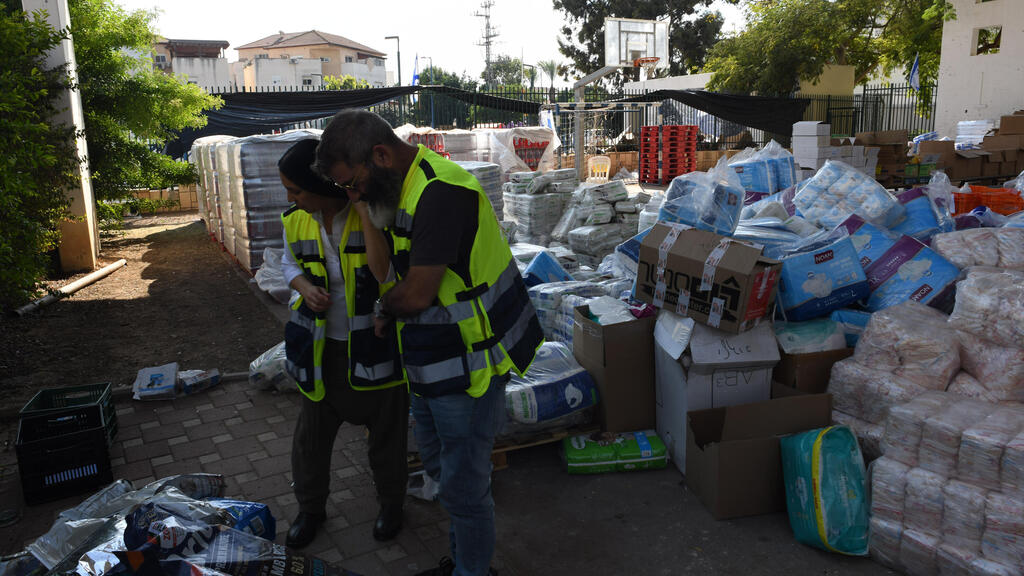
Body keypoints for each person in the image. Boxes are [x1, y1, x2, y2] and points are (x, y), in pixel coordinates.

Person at [314, 110, 544, 576]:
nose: (352, 195)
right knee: (444, 471)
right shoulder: (404, 189)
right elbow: (393, 274)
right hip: (431, 365)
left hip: (469, 370)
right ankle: (462, 559)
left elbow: (416, 292)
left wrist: (384, 308)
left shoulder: (440, 192)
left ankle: (472, 570)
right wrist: (366, 211)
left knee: (465, 489)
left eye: (352, 183)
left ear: (380, 155)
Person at [277, 138, 408, 549]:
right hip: (323, 352)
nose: (291, 199)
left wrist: (365, 213)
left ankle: (391, 507)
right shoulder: (296, 220)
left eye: (296, 190)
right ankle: (310, 509)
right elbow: (285, 264)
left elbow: (384, 273)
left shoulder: (373, 217)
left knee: (387, 441)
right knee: (310, 443)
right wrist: (302, 286)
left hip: (376, 347)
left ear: (324, 186)